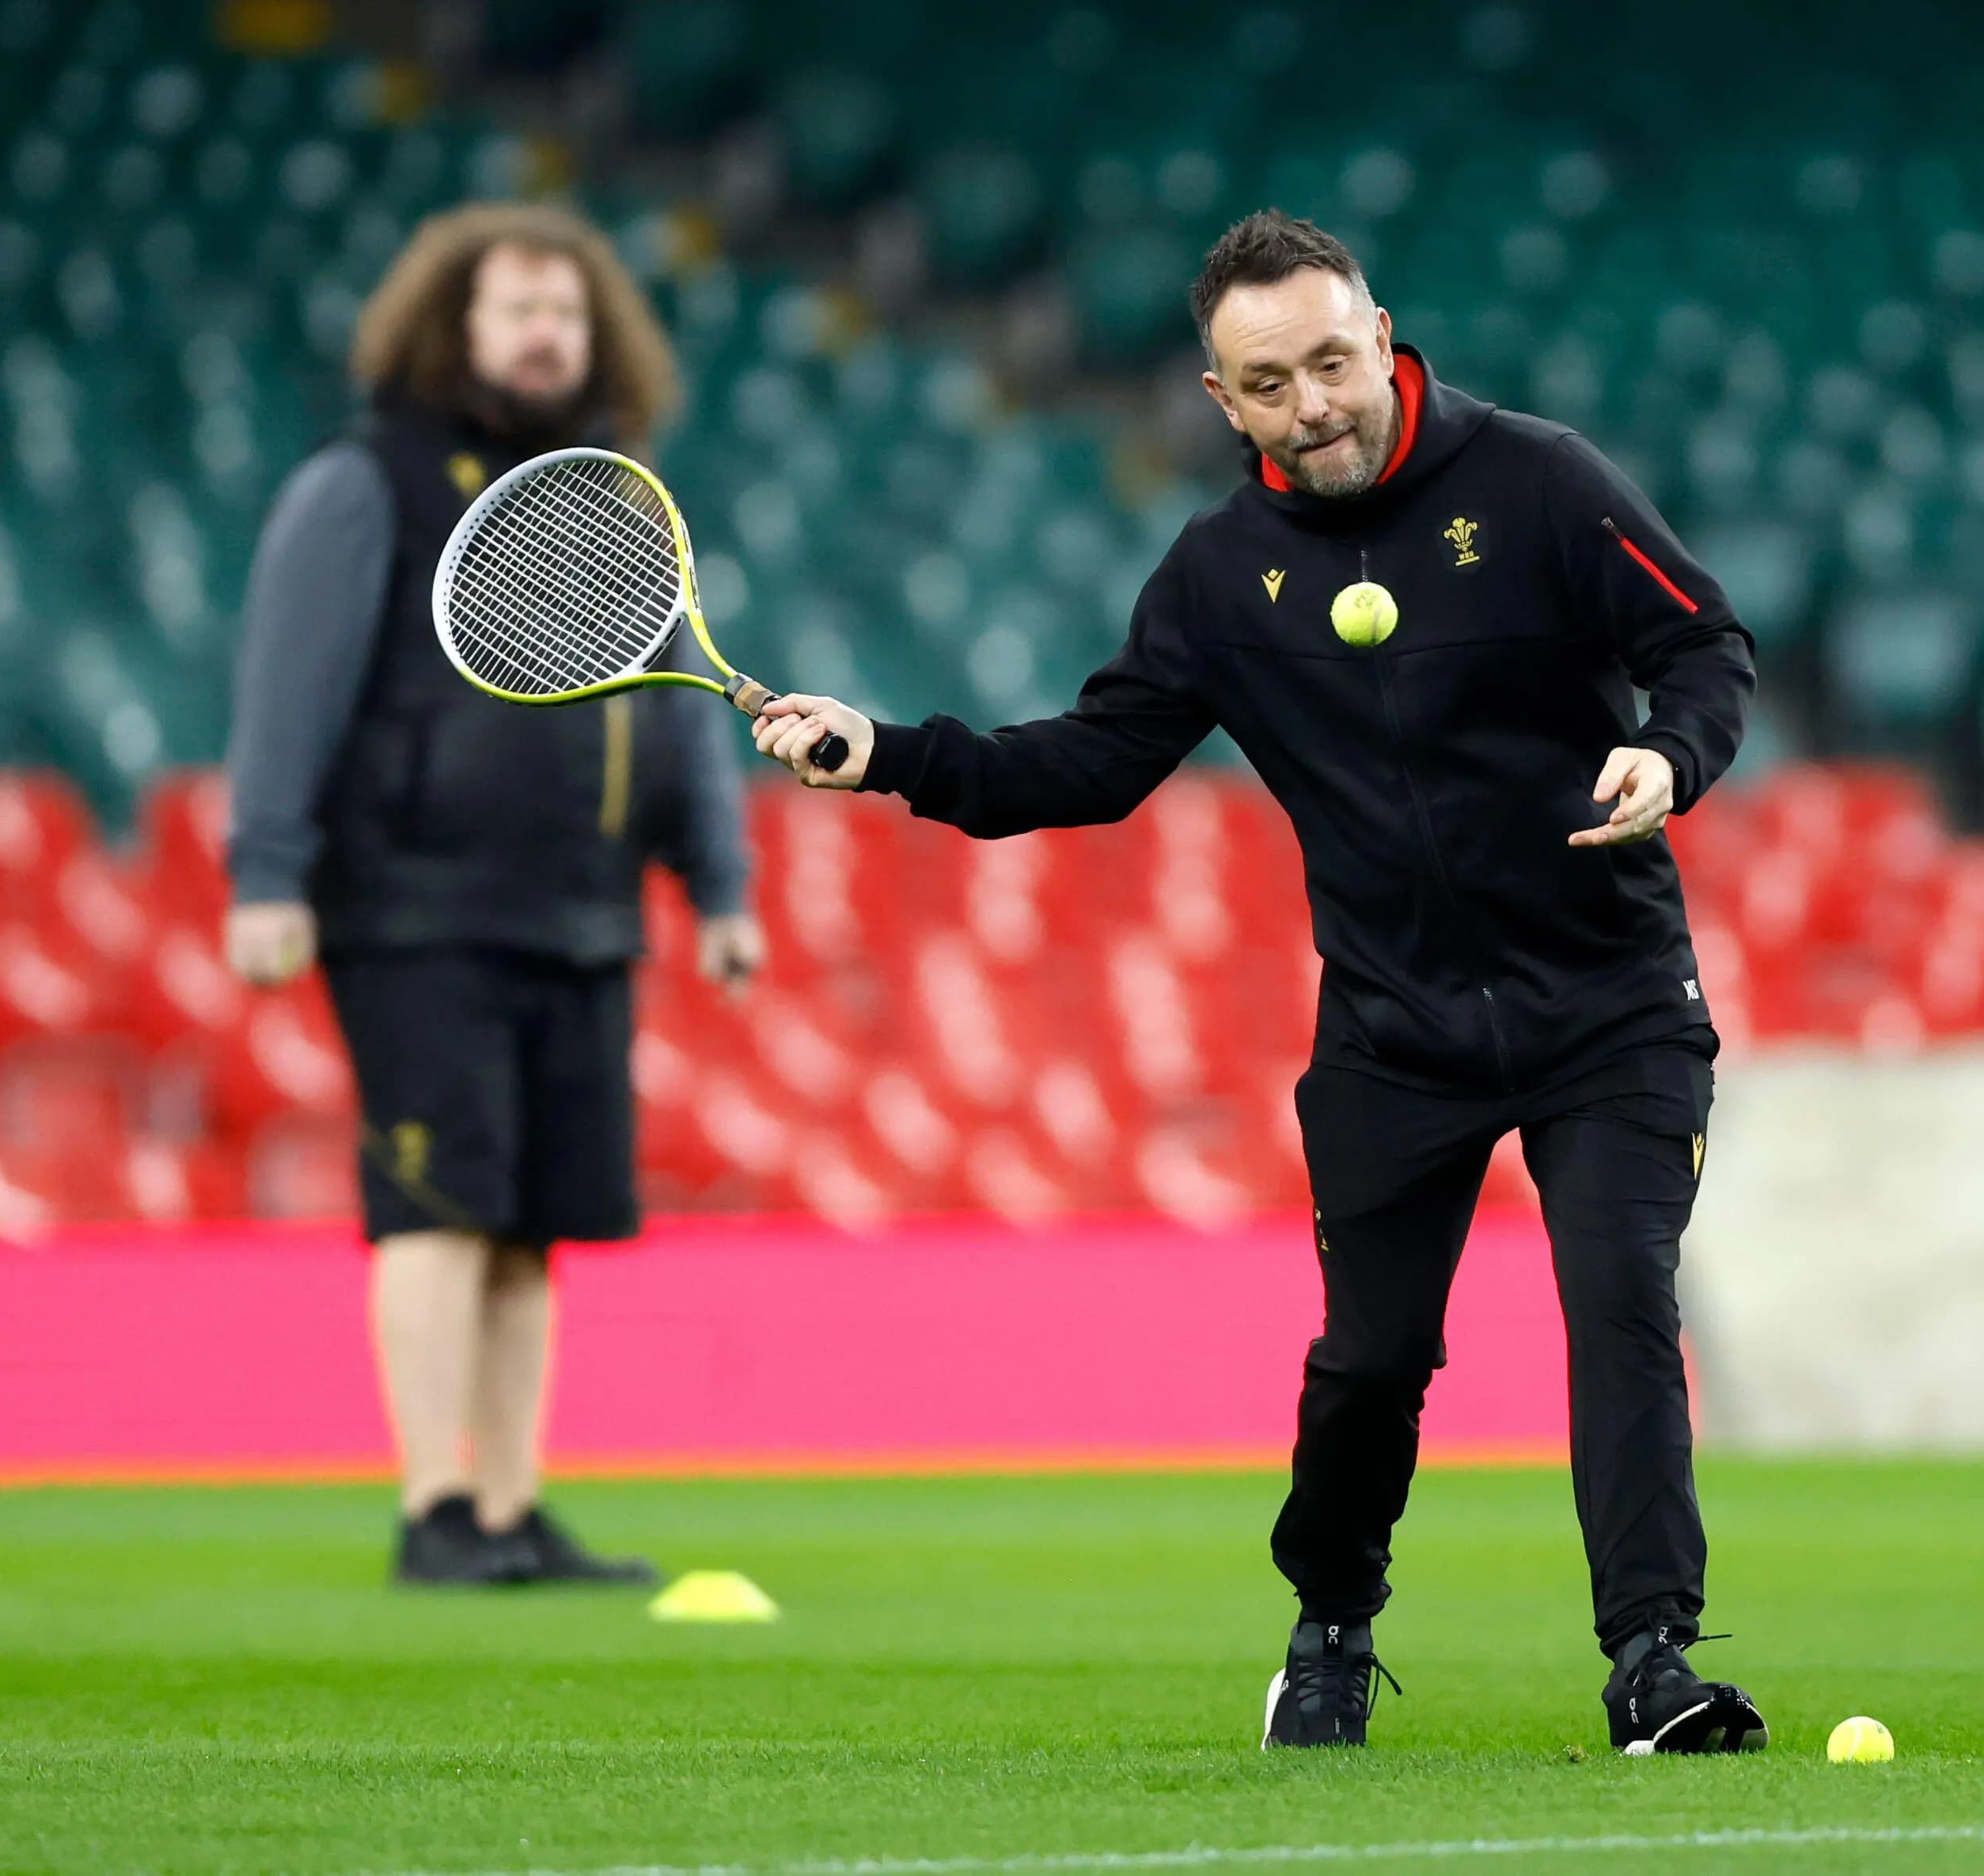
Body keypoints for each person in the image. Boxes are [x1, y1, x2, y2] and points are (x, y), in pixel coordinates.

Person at [755, 210, 1762, 1753]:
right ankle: (1332, 1630)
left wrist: (1664, 753)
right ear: (1224, 404)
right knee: (1373, 1359)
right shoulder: (1220, 575)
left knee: (1619, 1295)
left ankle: (1653, 1664)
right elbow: (1090, 764)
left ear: (1383, 336)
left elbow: (1705, 646)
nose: (1318, 405)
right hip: (1393, 1032)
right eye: (1273, 382)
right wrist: (888, 754)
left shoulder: (1542, 482)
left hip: (1609, 1001)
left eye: (1335, 362)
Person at [223, 203, 763, 1586]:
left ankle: (513, 1511)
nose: (546, 333)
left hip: (581, 912)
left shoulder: (618, 487)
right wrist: (268, 870)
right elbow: (288, 681)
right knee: (440, 1209)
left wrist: (718, 882)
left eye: (568, 312)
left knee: (536, 1225)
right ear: (453, 325)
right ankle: (434, 1507)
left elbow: (673, 712)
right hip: (411, 911)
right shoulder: (369, 479)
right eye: (518, 307)